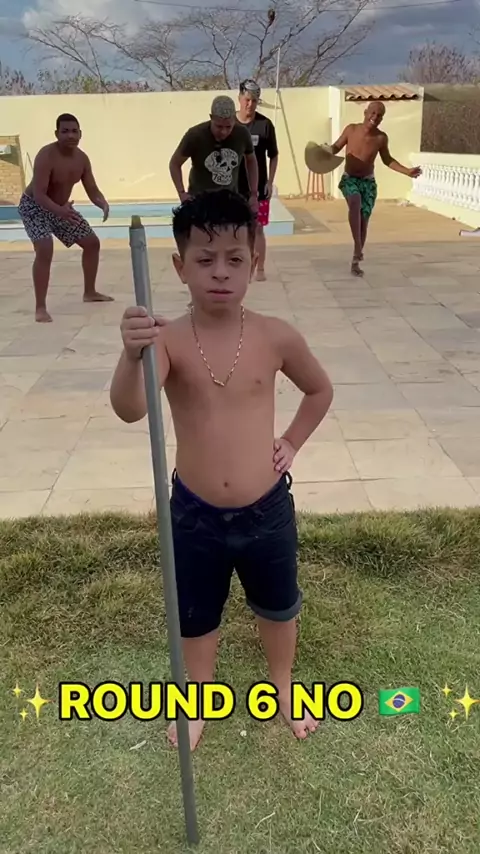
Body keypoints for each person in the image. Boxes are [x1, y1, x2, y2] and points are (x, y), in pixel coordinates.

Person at [110, 189, 333, 752]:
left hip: (266, 511)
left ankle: (283, 687)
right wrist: (130, 354)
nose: (220, 272)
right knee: (195, 614)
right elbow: (130, 408)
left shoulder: (275, 335)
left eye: (235, 259)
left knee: (279, 606)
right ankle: (198, 699)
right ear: (179, 266)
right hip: (194, 515)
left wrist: (291, 441)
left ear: (254, 263)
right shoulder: (166, 340)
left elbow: (320, 389)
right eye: (205, 259)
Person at [18, 113, 112, 323]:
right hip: (34, 206)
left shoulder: (82, 159)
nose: (70, 135)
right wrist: (60, 212)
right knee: (45, 248)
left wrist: (102, 203)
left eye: (74, 131)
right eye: (65, 131)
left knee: (92, 243)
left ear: (80, 134)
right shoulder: (46, 156)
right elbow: (39, 194)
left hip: (61, 209)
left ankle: (90, 292)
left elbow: (92, 188)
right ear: (57, 133)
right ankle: (40, 307)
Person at [329, 101, 422, 277]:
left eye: (379, 115)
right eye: (372, 112)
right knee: (354, 201)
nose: (375, 117)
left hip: (368, 183)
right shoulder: (351, 129)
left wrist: (407, 171)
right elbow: (336, 147)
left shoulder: (381, 138)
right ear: (365, 112)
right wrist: (323, 151)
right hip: (350, 179)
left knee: (364, 220)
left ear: (382, 119)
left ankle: (355, 262)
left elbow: (387, 160)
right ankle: (358, 246)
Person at [169, 96, 259, 214]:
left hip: (230, 200)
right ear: (211, 118)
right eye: (219, 126)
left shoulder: (242, 134)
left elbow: (251, 160)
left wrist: (253, 194)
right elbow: (175, 163)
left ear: (234, 119)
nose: (224, 132)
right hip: (200, 202)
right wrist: (181, 193)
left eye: (228, 126)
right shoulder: (195, 135)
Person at [237, 79, 279, 282]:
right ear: (239, 98)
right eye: (247, 99)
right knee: (236, 230)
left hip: (259, 186)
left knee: (258, 228)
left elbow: (274, 155)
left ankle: (260, 268)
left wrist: (270, 182)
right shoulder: (229, 124)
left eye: (254, 101)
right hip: (234, 187)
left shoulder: (265, 125)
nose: (250, 104)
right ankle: (241, 268)